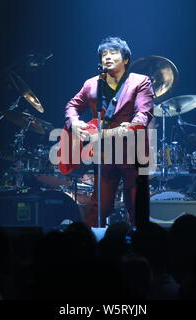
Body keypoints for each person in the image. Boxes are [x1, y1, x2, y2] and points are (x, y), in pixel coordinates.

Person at [64, 37, 154, 227]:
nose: (107, 57)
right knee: (100, 206)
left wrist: (132, 125)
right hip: (104, 151)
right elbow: (72, 105)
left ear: (126, 59)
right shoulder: (92, 84)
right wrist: (74, 122)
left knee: (137, 204)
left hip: (133, 150)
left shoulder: (140, 81)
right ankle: (91, 245)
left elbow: (144, 112)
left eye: (113, 53)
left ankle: (142, 243)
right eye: (104, 54)